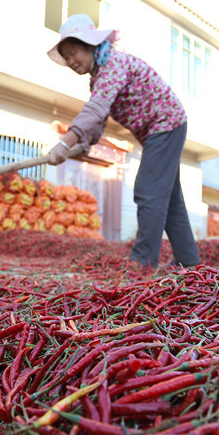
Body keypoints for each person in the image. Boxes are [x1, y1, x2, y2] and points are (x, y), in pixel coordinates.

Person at [47, 14, 200, 269]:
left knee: (148, 191)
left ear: (91, 46)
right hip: (159, 129)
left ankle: (142, 264)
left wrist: (65, 142)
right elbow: (100, 118)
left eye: (74, 53)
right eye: (67, 57)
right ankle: (188, 259)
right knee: (169, 199)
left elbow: (95, 109)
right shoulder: (98, 77)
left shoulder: (114, 65)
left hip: (166, 124)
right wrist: (85, 144)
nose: (71, 61)